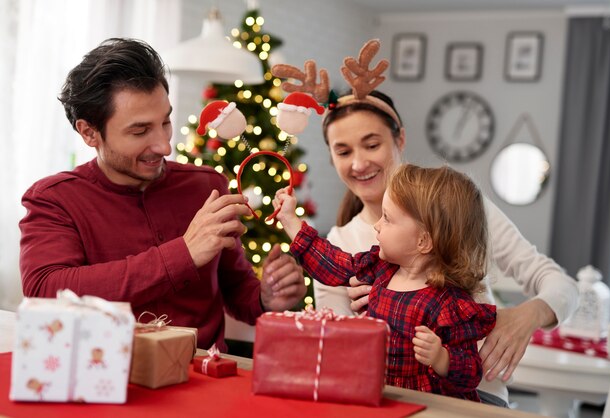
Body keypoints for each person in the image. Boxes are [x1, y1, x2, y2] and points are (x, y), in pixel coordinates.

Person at [18, 38, 306, 351]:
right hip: (107, 375)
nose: (164, 146)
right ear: (89, 132)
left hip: (204, 379)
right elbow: (47, 290)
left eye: (166, 122)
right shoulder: (54, 198)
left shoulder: (206, 186)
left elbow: (237, 290)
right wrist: (183, 254)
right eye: (140, 131)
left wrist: (266, 296)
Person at [314, 89, 579, 406]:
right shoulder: (338, 244)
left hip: (474, 398)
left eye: (372, 145)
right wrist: (365, 324)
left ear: (400, 140)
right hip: (387, 398)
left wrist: (529, 314)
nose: (359, 163)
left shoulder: (459, 209)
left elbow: (564, 285)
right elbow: (335, 352)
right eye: (343, 152)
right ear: (331, 159)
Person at [274, 164, 497, 401]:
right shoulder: (380, 269)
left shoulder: (450, 304)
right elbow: (332, 262)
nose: (377, 225)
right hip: (380, 396)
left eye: (387, 219)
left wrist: (442, 358)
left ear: (423, 241)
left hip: (426, 406)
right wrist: (289, 219)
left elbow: (472, 372)